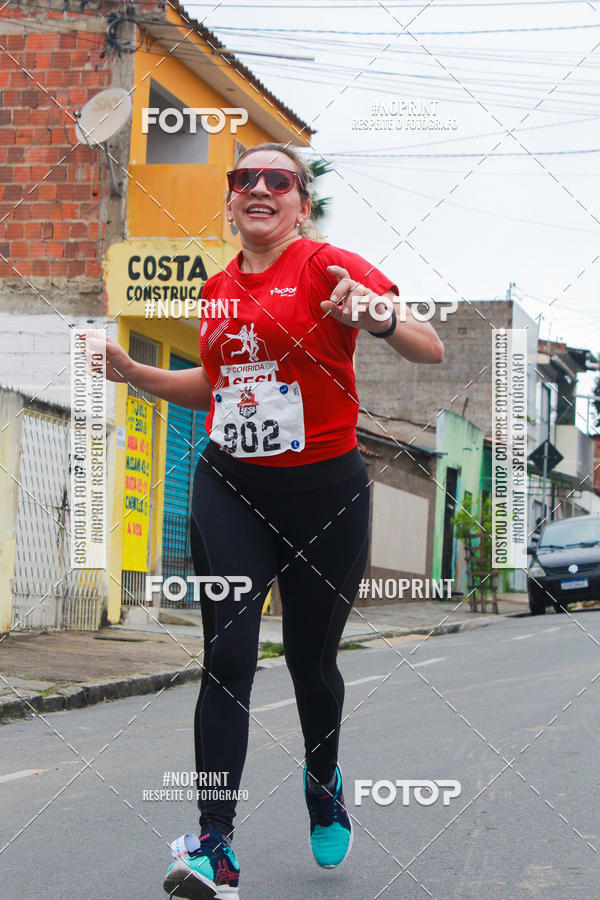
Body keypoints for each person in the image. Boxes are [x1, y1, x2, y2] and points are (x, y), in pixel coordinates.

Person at [97, 143, 444, 900]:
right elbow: (214, 387)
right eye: (244, 178)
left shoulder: (327, 267)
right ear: (230, 199)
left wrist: (374, 314)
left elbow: (429, 343)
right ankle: (214, 846)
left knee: (311, 664)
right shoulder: (216, 289)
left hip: (326, 496)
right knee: (227, 659)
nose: (258, 188)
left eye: (277, 180)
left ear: (300, 203)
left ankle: (323, 781)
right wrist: (134, 370)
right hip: (232, 487)